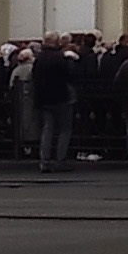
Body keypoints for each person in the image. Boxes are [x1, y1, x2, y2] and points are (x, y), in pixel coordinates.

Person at [32, 33, 77, 172]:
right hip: (61, 97)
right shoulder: (60, 57)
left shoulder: (39, 58)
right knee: (65, 130)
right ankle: (60, 160)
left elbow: (34, 77)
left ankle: (44, 161)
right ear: (56, 42)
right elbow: (70, 74)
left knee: (47, 129)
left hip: (44, 98)